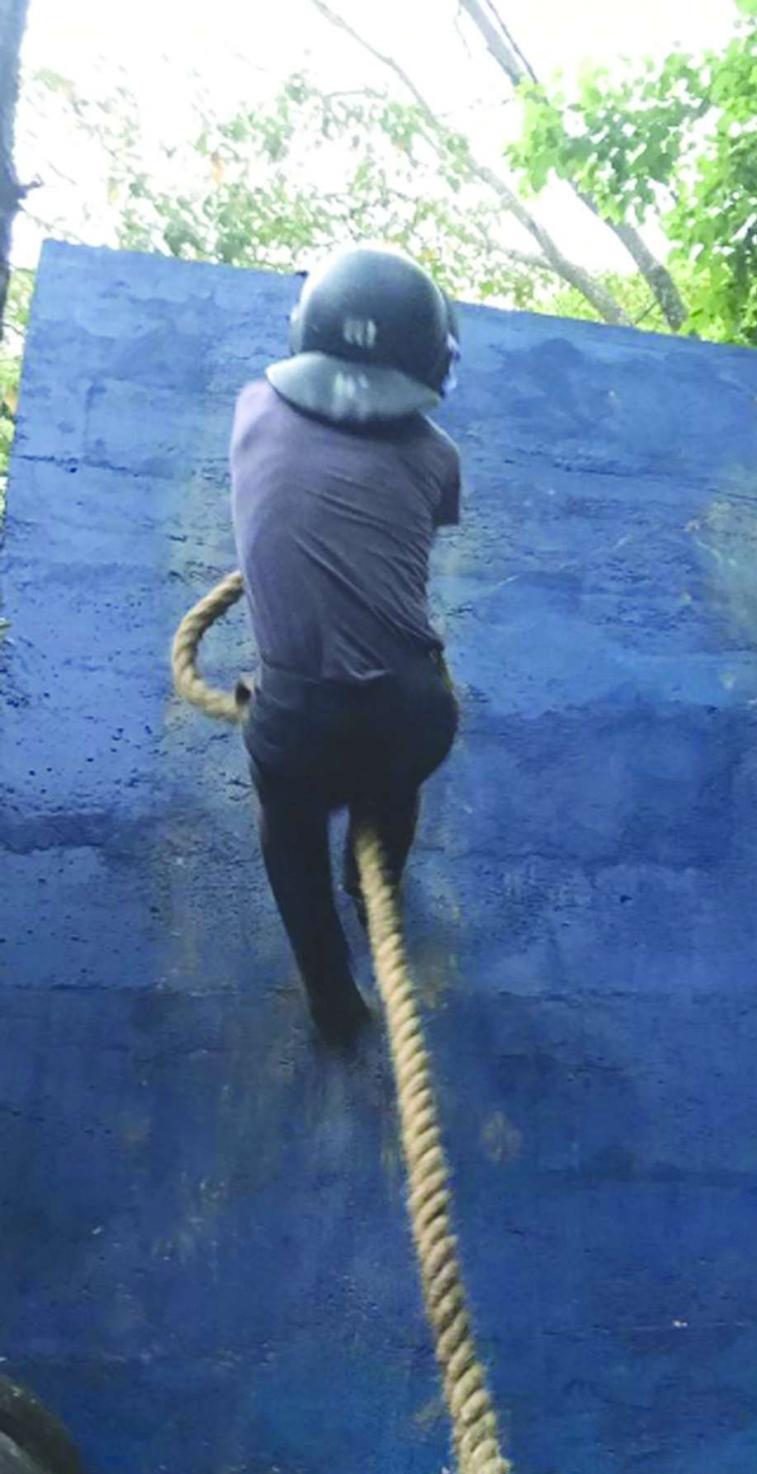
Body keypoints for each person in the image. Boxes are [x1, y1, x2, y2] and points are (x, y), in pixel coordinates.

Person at [229, 247, 463, 1047]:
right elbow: (413, 522)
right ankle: (377, 889)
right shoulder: (438, 456)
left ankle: (331, 995)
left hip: (297, 722)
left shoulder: (252, 408)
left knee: (285, 815)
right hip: (412, 715)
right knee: (390, 780)